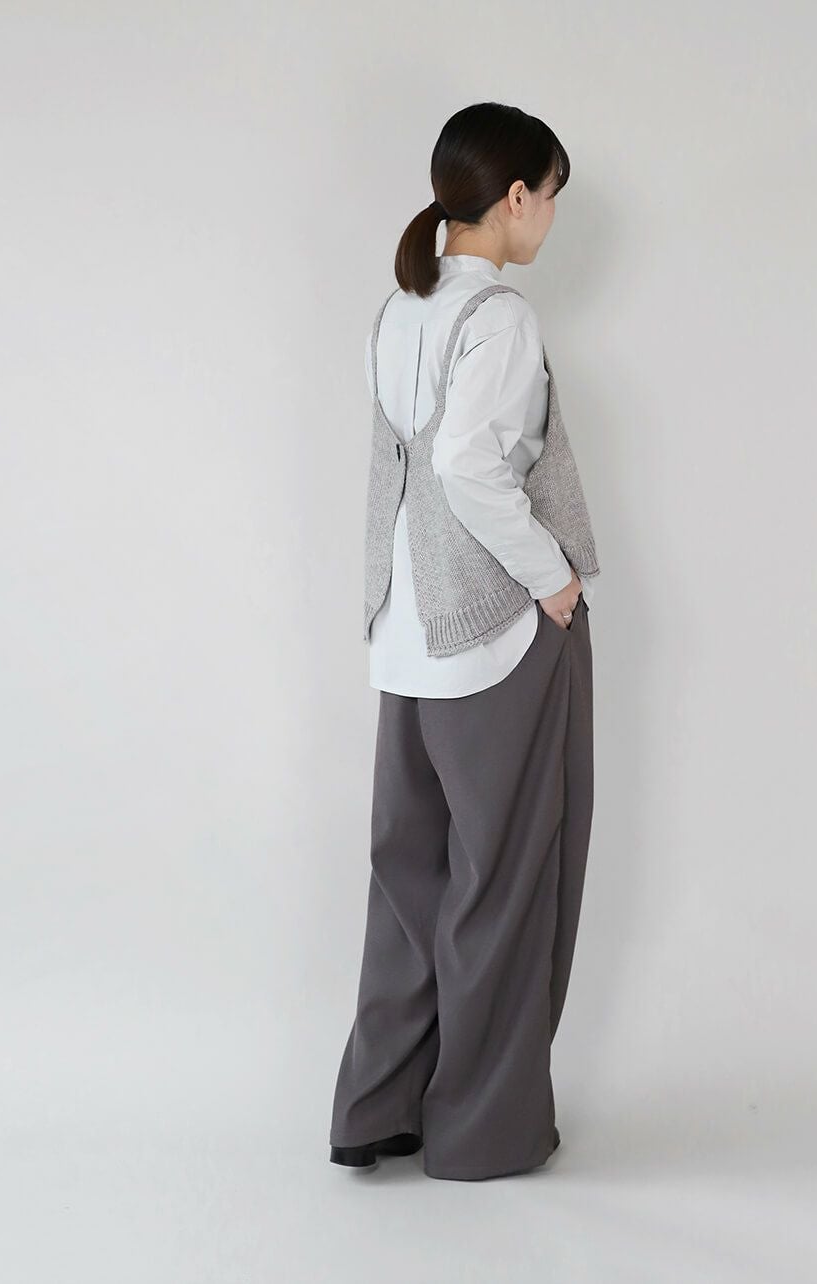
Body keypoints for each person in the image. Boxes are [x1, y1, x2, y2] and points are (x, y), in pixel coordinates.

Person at [329, 101, 601, 1181]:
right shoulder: (499, 317)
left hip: (404, 631)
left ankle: (377, 1108)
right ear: (516, 196)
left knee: (410, 877)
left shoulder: (399, 306)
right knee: (502, 883)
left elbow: (416, 466)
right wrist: (554, 581)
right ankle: (481, 1133)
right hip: (492, 634)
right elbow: (466, 468)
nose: (551, 221)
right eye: (551, 197)